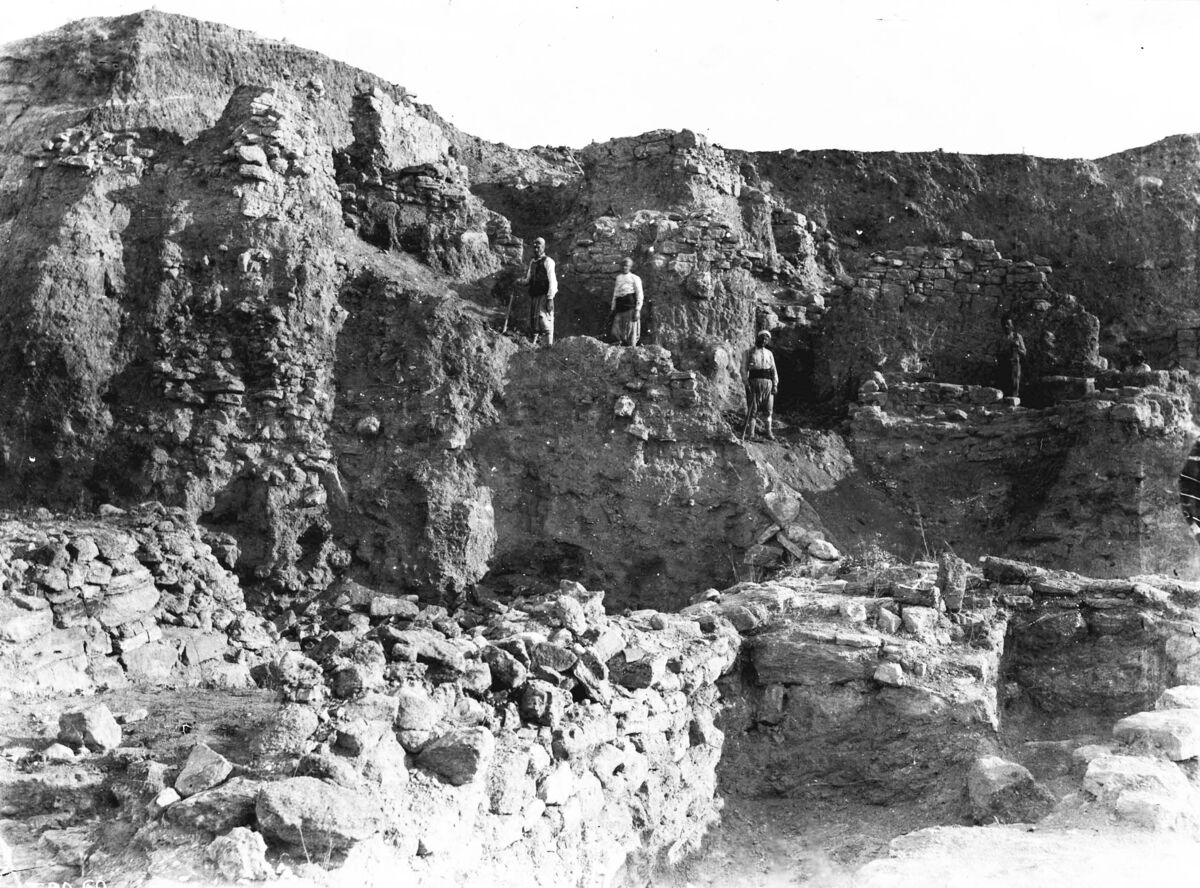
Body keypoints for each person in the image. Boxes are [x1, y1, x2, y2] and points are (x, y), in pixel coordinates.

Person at [743, 330, 779, 441]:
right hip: (754, 383)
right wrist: (746, 384)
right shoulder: (748, 352)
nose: (764, 340)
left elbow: (773, 370)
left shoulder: (769, 353)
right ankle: (751, 434)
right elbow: (743, 369)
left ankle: (768, 432)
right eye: (762, 338)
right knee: (753, 410)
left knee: (769, 409)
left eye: (766, 339)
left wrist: (775, 384)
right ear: (757, 338)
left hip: (768, 384)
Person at [523, 237, 557, 346]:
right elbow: (528, 279)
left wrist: (550, 298)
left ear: (543, 247)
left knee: (544, 321)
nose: (536, 249)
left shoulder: (548, 261)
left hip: (544, 296)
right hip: (534, 296)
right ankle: (534, 345)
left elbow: (553, 281)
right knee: (534, 321)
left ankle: (549, 346)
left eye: (539, 247)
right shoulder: (532, 262)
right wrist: (519, 281)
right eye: (534, 247)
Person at [609, 257, 644, 346]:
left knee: (631, 330)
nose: (624, 267)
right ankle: (619, 346)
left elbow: (639, 294)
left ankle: (632, 347)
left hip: (630, 307)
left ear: (630, 267)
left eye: (627, 266)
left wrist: (637, 310)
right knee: (616, 330)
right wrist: (612, 308)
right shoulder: (618, 278)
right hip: (620, 307)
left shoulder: (635, 278)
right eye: (623, 266)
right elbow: (615, 293)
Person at [998, 317, 1026, 398]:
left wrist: (1017, 348)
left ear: (1012, 326)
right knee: (1003, 386)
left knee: (1014, 386)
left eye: (1008, 324)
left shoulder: (1017, 337)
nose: (1006, 326)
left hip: (1014, 365)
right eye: (1004, 324)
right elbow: (996, 352)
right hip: (1003, 365)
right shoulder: (1000, 338)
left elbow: (1024, 353)